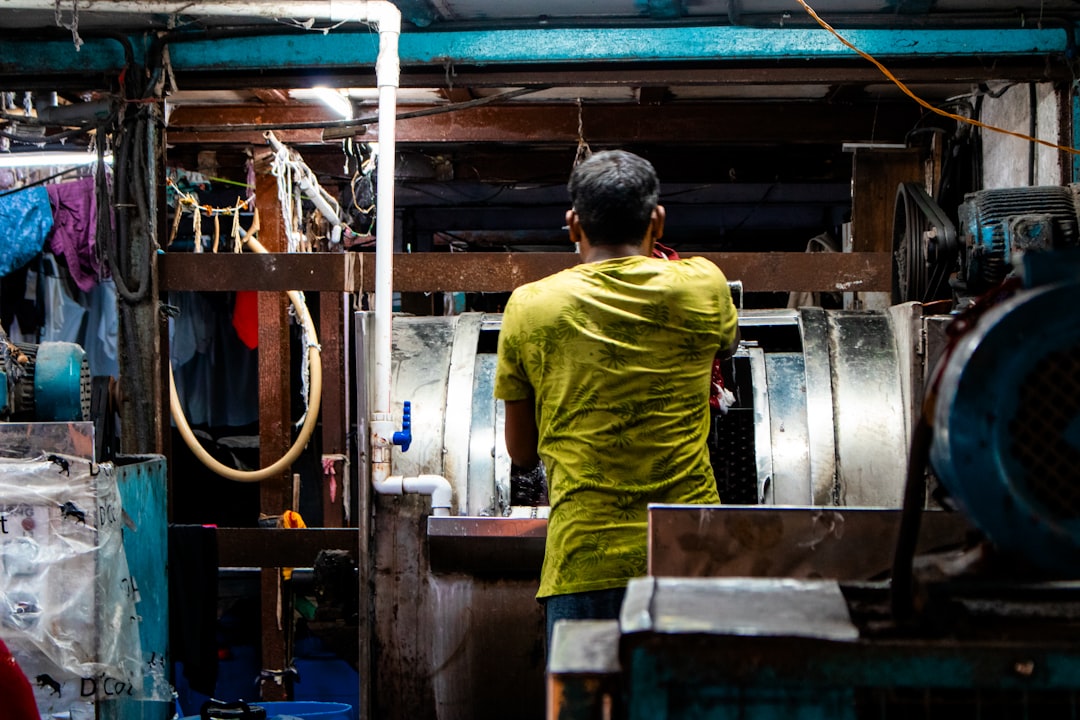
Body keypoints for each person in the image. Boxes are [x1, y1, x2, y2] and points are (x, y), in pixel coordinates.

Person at [493, 149, 740, 649]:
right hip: (691, 556)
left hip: (585, 562)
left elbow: (521, 452)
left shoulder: (530, 306)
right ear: (658, 221)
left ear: (572, 224)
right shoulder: (704, 286)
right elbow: (726, 346)